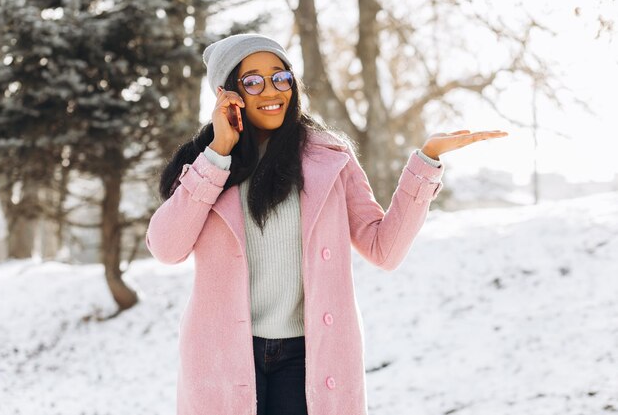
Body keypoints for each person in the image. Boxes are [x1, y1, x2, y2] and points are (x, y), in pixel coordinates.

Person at [145, 33, 509, 415]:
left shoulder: (329, 156)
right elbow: (168, 248)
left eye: (280, 77)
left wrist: (427, 162)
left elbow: (383, 249)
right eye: (252, 81)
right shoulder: (207, 165)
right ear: (228, 94)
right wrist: (219, 152)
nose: (271, 90)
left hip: (309, 357)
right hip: (225, 356)